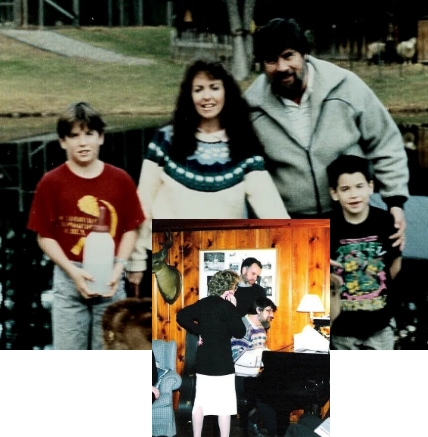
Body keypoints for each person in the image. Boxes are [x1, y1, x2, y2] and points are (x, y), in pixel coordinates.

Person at [126, 58, 290, 291]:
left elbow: (270, 206)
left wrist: (299, 246)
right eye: (198, 89)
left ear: (226, 92)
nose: (207, 97)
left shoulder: (244, 146)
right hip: (168, 265)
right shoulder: (165, 141)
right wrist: (136, 259)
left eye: (214, 87)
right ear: (188, 96)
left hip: (220, 265)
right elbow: (142, 204)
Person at [244, 17, 408, 248]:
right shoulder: (251, 107)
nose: (281, 67)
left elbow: (385, 142)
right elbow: (248, 173)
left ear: (304, 55)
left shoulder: (345, 86)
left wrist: (395, 202)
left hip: (350, 218)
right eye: (271, 60)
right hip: (290, 224)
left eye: (289, 55)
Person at [27, 102, 145, 350]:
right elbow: (44, 236)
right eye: (74, 135)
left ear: (100, 137)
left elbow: (130, 230)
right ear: (62, 142)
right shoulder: (51, 182)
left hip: (111, 277)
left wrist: (118, 268)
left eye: (89, 133)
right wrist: (72, 271)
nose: (82, 142)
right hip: (70, 279)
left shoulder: (120, 179)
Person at [327, 154, 402, 350]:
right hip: (343, 327)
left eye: (359, 186)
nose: (353, 194)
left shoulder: (385, 221)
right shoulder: (328, 227)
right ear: (334, 193)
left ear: (371, 186)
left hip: (380, 324)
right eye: (345, 189)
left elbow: (395, 266)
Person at [176, 269, 246, 437]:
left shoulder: (203, 303)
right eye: (235, 287)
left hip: (204, 362)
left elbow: (181, 316)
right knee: (224, 407)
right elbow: (240, 332)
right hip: (223, 364)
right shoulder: (228, 306)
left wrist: (200, 330)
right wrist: (234, 308)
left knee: (200, 404)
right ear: (230, 288)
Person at [231, 297, 278, 437]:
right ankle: (274, 433)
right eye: (269, 311)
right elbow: (236, 357)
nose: (272, 315)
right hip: (237, 377)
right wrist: (264, 357)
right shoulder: (241, 326)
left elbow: (260, 351)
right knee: (268, 395)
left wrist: (274, 358)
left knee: (278, 390)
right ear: (258, 310)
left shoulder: (261, 328)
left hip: (252, 376)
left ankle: (254, 422)